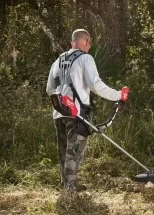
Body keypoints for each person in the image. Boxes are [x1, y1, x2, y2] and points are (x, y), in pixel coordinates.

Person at [46, 29, 129, 192]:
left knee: (63, 149)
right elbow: (96, 85)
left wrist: (61, 101)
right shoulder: (85, 58)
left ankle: (68, 184)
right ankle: (69, 191)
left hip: (59, 113)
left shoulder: (58, 61)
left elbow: (49, 89)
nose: (90, 46)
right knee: (75, 151)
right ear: (85, 41)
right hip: (75, 114)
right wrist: (119, 95)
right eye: (89, 42)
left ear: (72, 42)